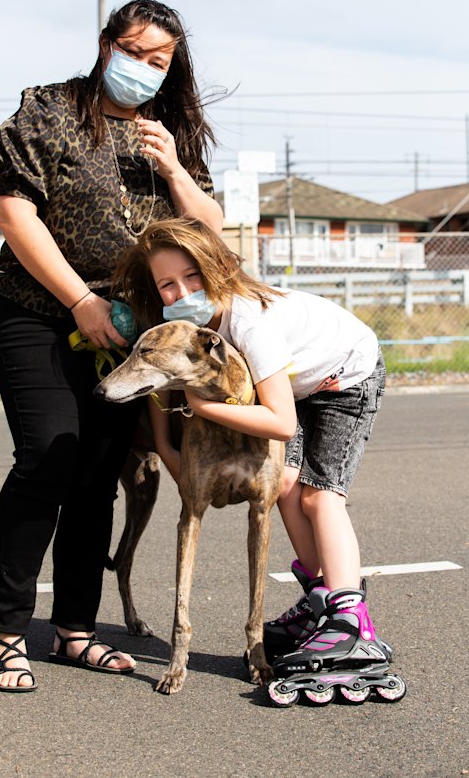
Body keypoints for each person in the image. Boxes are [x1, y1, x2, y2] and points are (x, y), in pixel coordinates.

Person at [0, 0, 222, 692]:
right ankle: (6, 633)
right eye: (136, 53)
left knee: (97, 474)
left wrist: (176, 169)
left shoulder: (165, 131)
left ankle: (75, 632)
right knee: (49, 457)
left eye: (160, 61)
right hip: (37, 312)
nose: (145, 70)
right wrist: (79, 300)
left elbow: (209, 232)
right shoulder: (49, 111)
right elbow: (12, 211)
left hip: (128, 332)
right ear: (105, 44)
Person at [113, 216, 393, 680]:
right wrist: (164, 443)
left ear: (217, 267)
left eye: (191, 276)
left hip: (347, 374)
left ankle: (350, 621)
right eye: (166, 284)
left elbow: (281, 423)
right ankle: (318, 601)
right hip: (297, 383)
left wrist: (201, 409)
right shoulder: (199, 324)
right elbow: (168, 375)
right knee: (283, 483)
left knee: (320, 494)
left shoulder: (249, 324)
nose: (180, 293)